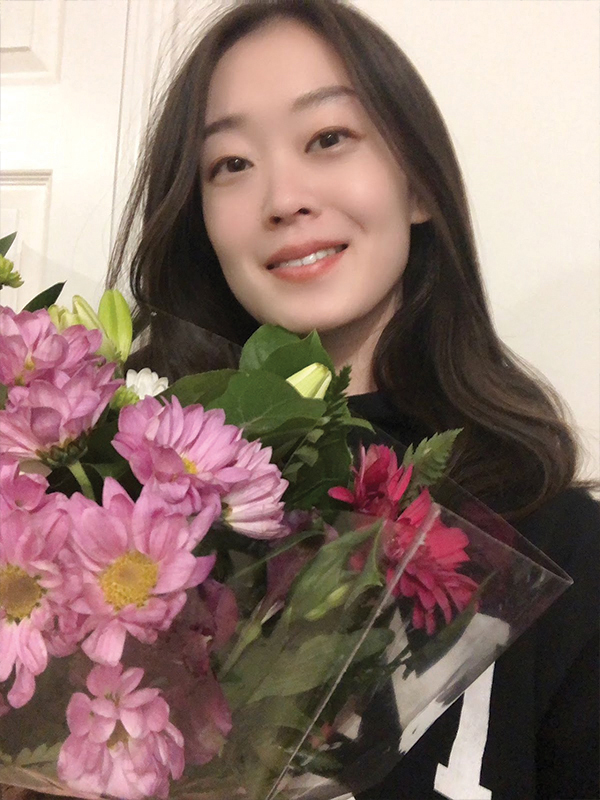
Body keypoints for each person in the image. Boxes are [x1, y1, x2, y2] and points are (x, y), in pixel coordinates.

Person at [108, 1, 600, 797]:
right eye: (230, 164)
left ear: (419, 186)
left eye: (328, 138)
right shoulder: (129, 521)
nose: (283, 196)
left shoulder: (557, 545)